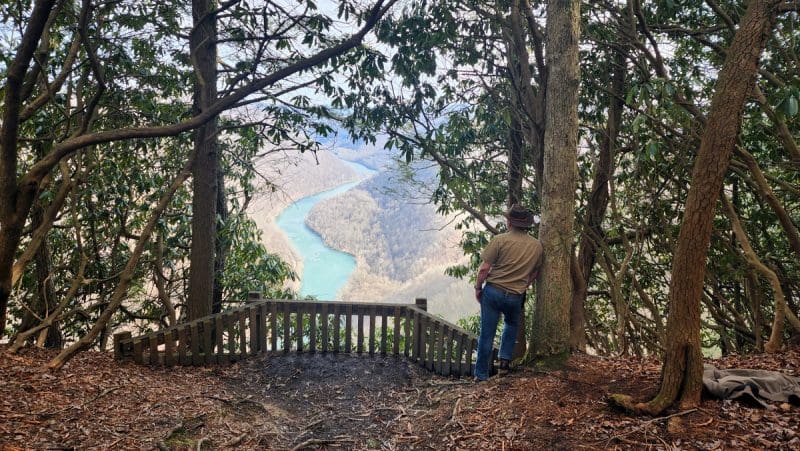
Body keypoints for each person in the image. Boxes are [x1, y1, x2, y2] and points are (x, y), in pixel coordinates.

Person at [473, 205, 543, 381]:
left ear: (510, 222)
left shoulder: (500, 240)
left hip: (493, 291)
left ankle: (481, 375)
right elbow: (536, 272)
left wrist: (478, 287)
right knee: (511, 326)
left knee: (487, 333)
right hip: (515, 295)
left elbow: (484, 269)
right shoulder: (536, 246)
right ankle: (504, 365)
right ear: (526, 224)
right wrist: (524, 284)